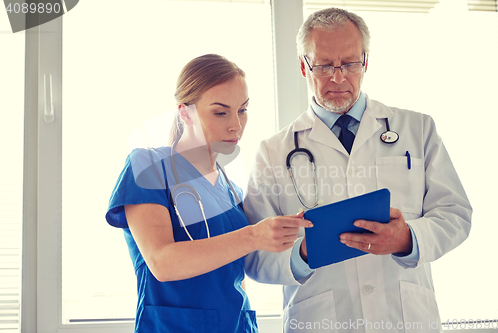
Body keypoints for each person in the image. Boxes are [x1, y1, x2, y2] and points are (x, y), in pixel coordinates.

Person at [244, 8, 472, 333]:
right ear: (302, 65)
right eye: (323, 65)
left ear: (365, 62)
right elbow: (255, 257)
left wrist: (408, 238)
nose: (338, 77)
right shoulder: (273, 152)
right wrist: (305, 252)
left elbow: (456, 214)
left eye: (350, 63)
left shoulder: (417, 129)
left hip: (406, 320)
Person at [105, 54, 312, 333]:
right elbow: (161, 262)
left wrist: (301, 245)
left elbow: (248, 265)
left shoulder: (231, 190)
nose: (236, 125)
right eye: (220, 112)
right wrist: (253, 235)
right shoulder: (148, 167)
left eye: (242, 110)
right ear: (185, 112)